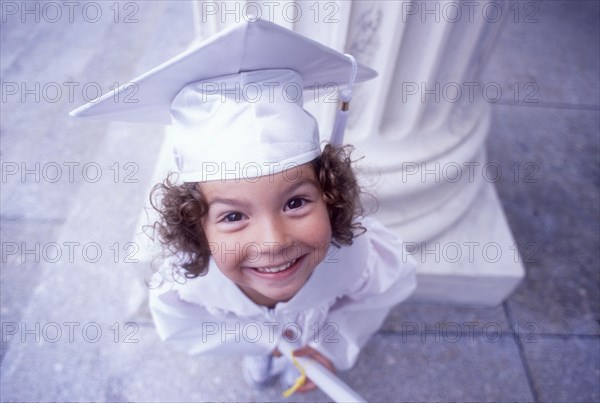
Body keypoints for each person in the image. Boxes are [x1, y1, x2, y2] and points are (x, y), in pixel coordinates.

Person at [70, 18, 416, 394]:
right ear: (196, 225)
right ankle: (264, 358)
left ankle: (298, 362)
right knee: (265, 355)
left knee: (306, 362)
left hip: (318, 337)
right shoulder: (186, 285)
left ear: (329, 196)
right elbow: (184, 328)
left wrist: (331, 347)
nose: (272, 242)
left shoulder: (357, 258)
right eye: (233, 216)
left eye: (296, 202)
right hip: (248, 337)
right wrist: (261, 341)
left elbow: (382, 292)